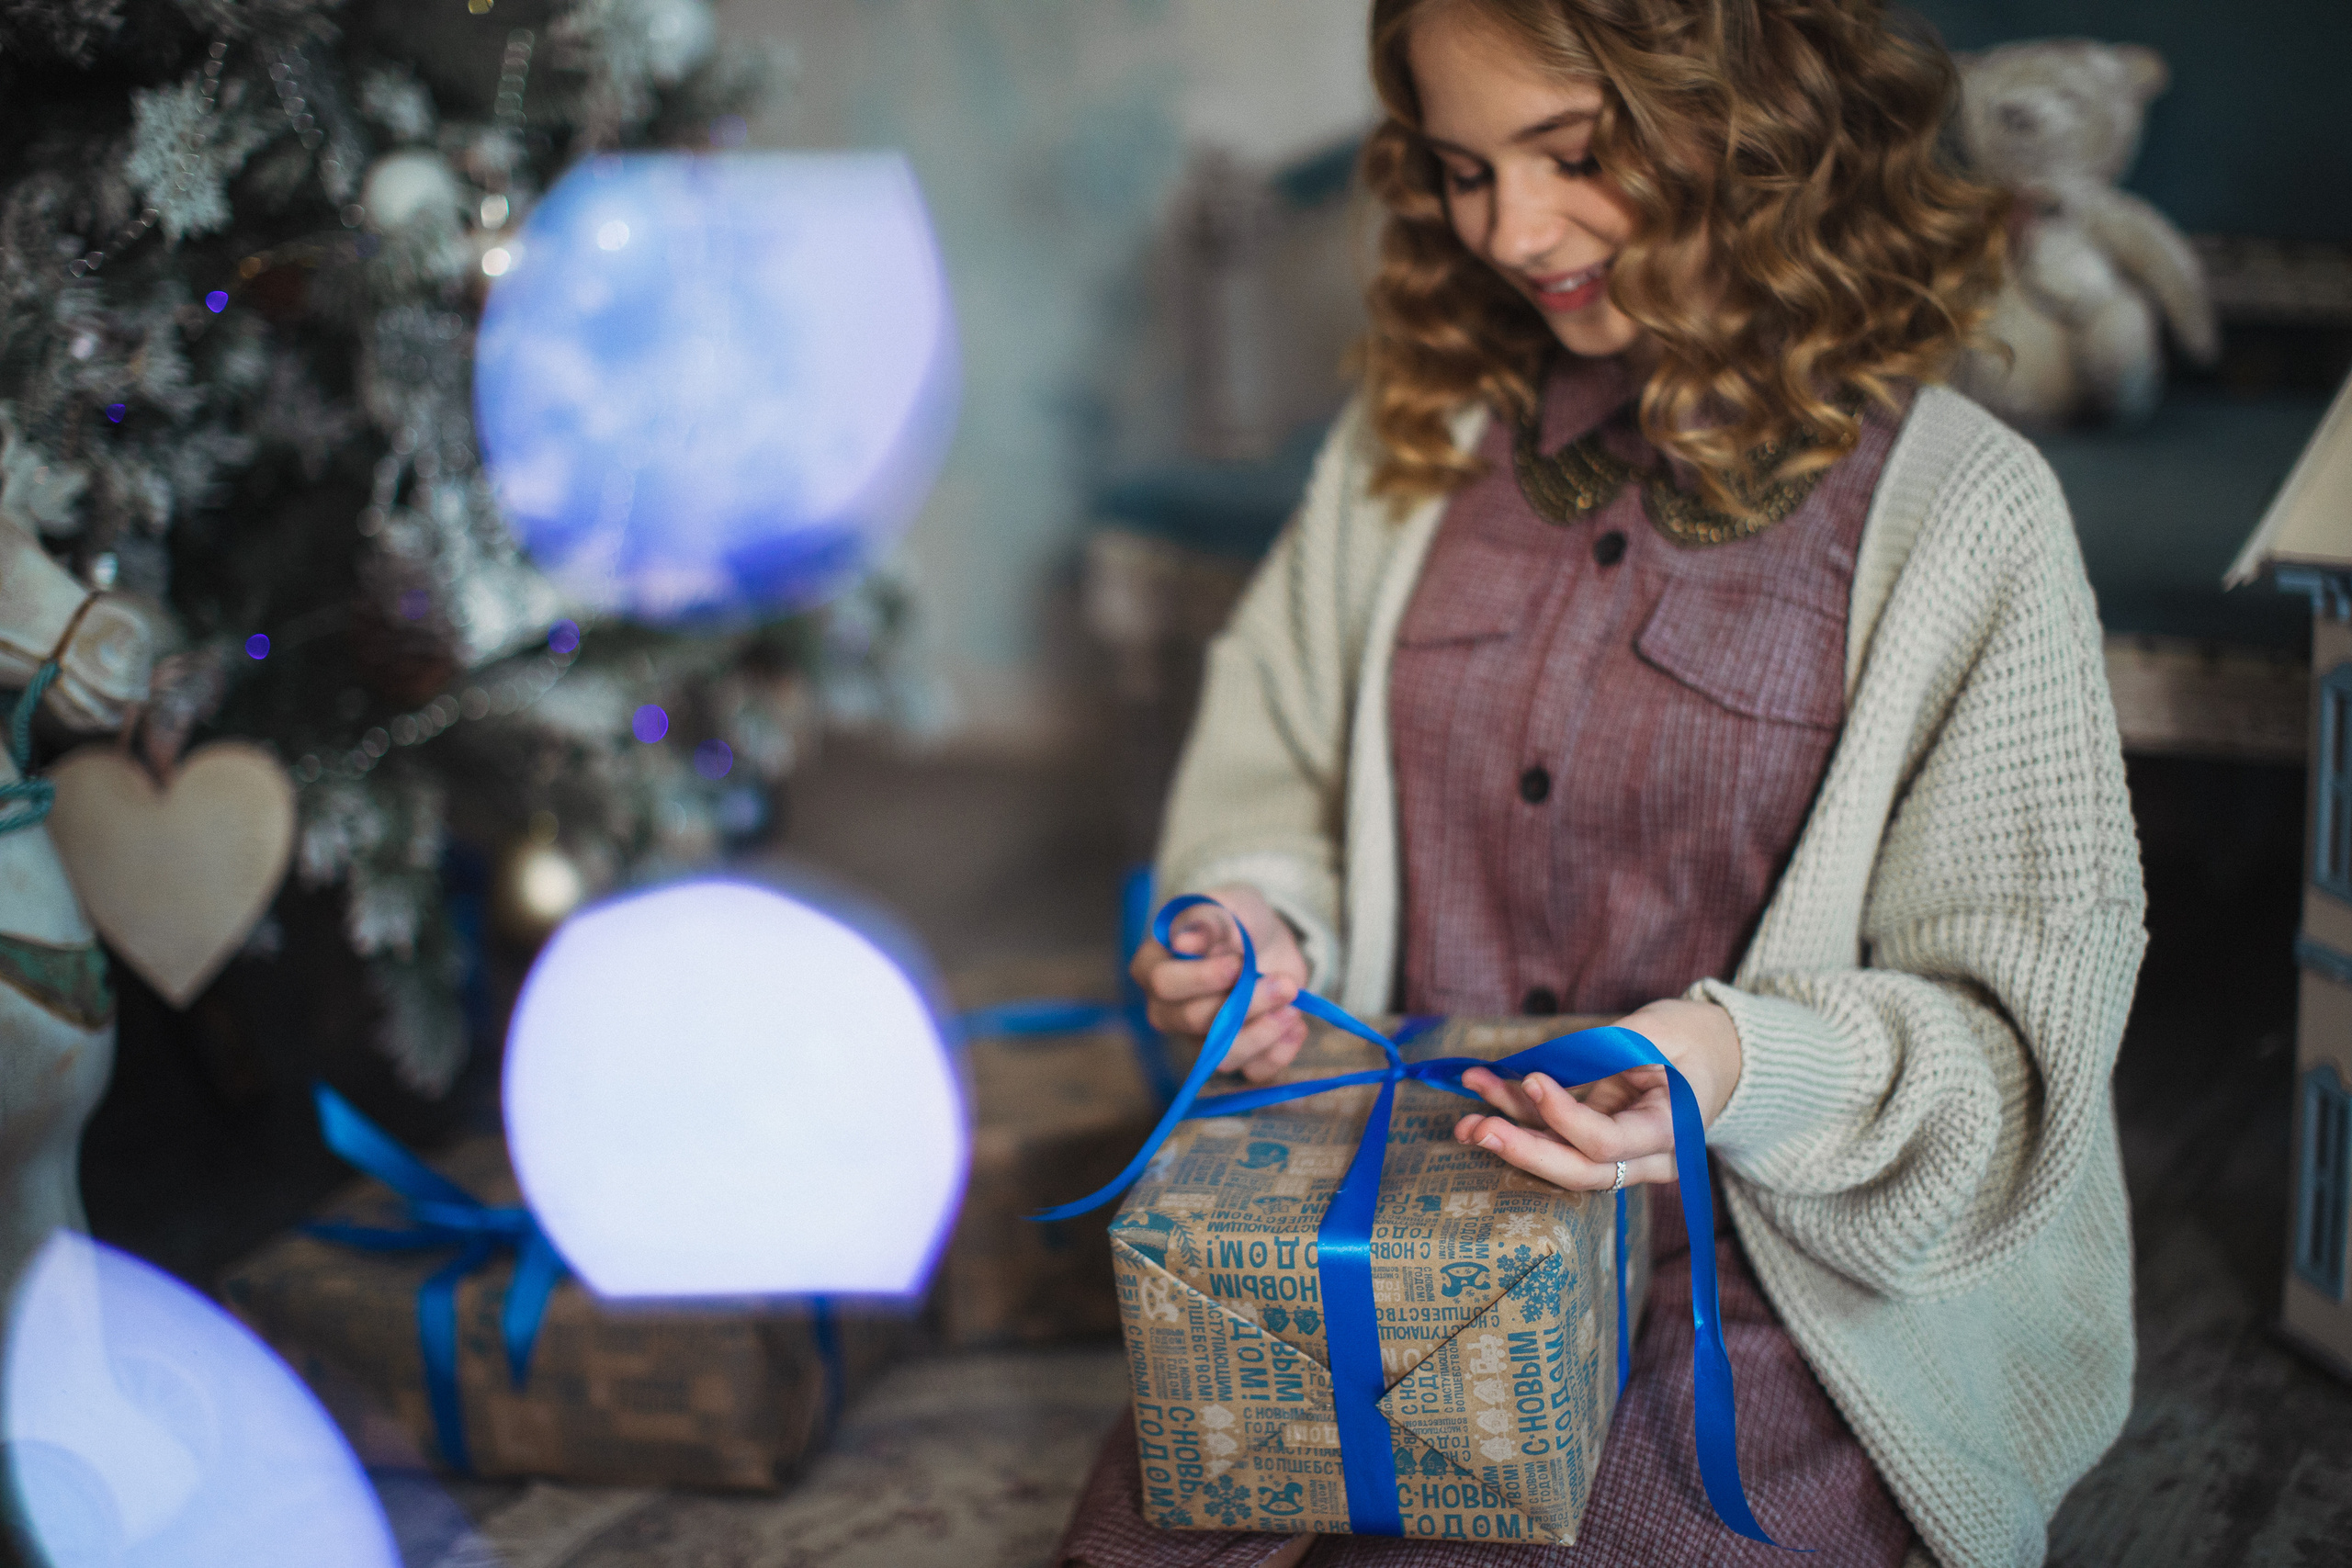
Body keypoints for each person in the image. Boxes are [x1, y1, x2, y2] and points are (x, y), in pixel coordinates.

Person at [1053, 1, 2144, 1565]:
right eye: (1462, 171)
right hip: (1403, 1216)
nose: (1514, 228)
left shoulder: (1964, 514)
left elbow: (2011, 1050)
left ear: (1752, 117)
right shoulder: (1407, 453)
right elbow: (1273, 781)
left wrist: (1730, 1066)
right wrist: (1256, 928)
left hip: (1776, 1274)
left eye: (1574, 157)